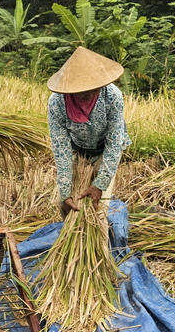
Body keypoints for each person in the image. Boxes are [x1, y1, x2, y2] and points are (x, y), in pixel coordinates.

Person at [47, 46, 131, 222]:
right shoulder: (57, 103)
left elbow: (114, 143)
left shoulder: (112, 96)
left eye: (95, 89)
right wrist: (65, 189)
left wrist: (100, 184)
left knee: (100, 207)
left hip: (104, 148)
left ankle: (100, 236)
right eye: (84, 90)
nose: (91, 94)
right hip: (77, 147)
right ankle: (69, 231)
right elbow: (61, 146)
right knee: (64, 202)